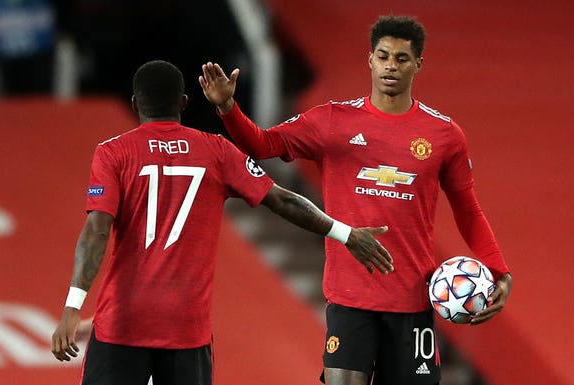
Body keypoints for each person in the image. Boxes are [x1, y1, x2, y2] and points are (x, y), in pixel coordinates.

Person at [200, 15, 513, 385]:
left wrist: (499, 271)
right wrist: (227, 109)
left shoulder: (444, 135)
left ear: (418, 64)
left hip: (411, 301)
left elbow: (468, 209)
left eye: (401, 58)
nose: (390, 66)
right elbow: (263, 145)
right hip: (349, 299)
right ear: (370, 60)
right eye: (383, 56)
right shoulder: (333, 121)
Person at [51, 60, 394, 385]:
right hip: (187, 329)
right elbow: (283, 200)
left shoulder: (113, 153)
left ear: (135, 102)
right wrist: (345, 233)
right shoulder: (217, 150)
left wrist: (72, 307)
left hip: (122, 324)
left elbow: (97, 229)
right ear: (184, 102)